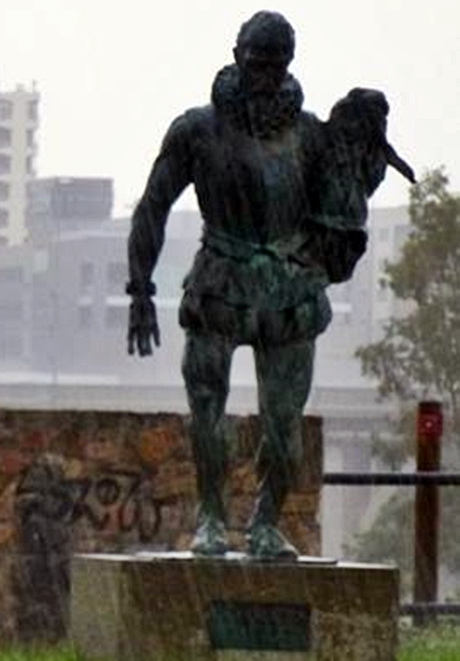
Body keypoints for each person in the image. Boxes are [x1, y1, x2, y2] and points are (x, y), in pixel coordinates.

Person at [126, 10, 406, 560]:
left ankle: (265, 523)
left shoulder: (311, 136)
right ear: (237, 57)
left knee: (283, 428)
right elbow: (153, 207)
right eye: (258, 64)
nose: (266, 76)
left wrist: (365, 144)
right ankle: (210, 516)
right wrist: (140, 290)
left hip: (288, 290)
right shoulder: (196, 129)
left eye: (277, 66)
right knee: (208, 413)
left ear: (289, 66)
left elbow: (342, 203)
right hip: (219, 282)